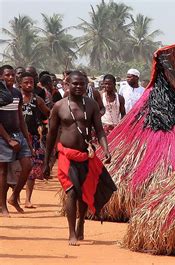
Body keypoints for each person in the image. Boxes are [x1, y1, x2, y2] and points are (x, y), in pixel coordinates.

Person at [43, 70, 115, 245]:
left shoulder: (91, 105)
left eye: (82, 84)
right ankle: (71, 233)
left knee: (83, 191)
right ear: (67, 84)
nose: (78, 87)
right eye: (75, 83)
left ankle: (81, 221)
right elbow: (51, 135)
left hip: (85, 155)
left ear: (86, 85)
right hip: (66, 155)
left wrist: (106, 149)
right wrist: (47, 162)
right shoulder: (59, 106)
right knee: (72, 191)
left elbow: (99, 130)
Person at [0, 65, 33, 217]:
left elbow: (20, 116)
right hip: (3, 136)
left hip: (17, 133)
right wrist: (8, 139)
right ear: (1, 76)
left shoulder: (16, 93)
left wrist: (27, 138)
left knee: (27, 165)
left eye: (12, 75)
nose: (11, 78)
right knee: (3, 171)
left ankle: (14, 197)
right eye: (7, 75)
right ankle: (3, 206)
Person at [20, 72, 50, 208]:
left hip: (33, 138)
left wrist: (43, 125)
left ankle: (27, 199)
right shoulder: (15, 98)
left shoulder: (37, 100)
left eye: (31, 82)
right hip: (16, 137)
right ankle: (12, 196)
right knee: (11, 168)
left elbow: (48, 113)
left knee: (32, 170)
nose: (29, 85)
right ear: (20, 83)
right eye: (26, 82)